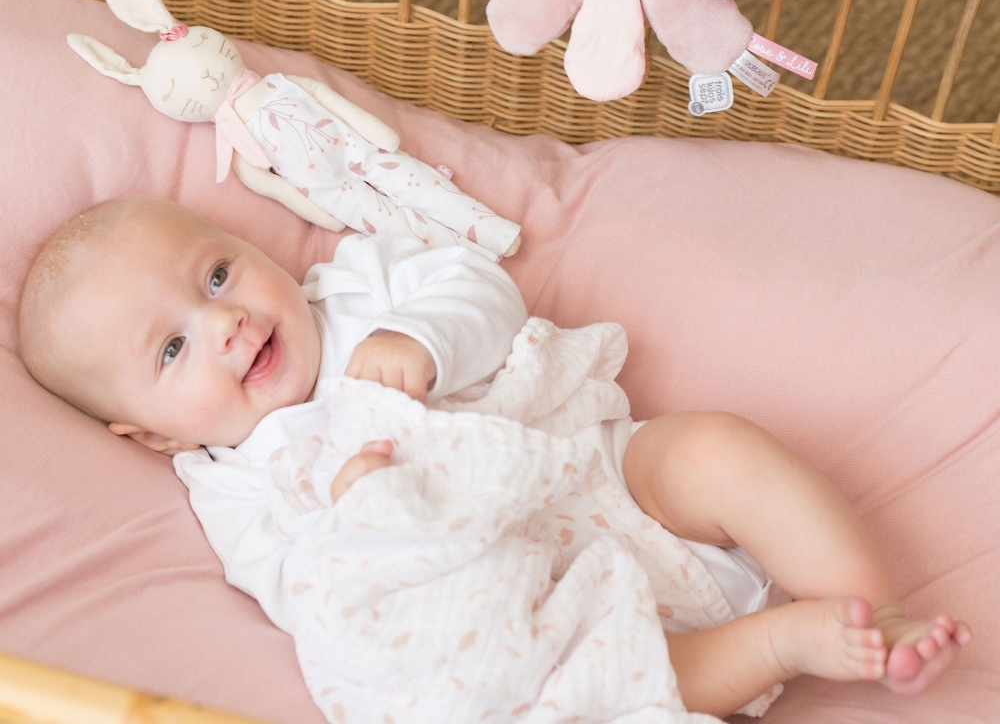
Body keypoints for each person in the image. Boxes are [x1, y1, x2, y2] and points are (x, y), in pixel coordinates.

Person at [17, 195, 971, 719]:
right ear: (153, 436)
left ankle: (863, 603)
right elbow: (310, 595)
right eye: (173, 349)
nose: (223, 324)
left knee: (719, 449)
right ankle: (776, 644)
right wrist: (365, 515)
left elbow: (482, 290)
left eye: (216, 274)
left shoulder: (357, 286)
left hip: (598, 471)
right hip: (521, 595)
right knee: (576, 682)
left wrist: (424, 341)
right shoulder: (230, 481)